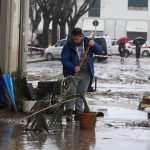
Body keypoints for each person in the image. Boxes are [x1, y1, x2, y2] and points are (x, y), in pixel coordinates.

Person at [61, 28, 104, 122]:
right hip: (72, 73)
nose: (75, 41)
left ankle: (78, 113)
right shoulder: (68, 45)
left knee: (81, 94)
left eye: (77, 39)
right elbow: (64, 59)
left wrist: (95, 45)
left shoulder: (88, 42)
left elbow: (100, 51)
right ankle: (69, 113)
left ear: (81, 36)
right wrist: (73, 67)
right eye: (73, 39)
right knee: (71, 93)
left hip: (86, 73)